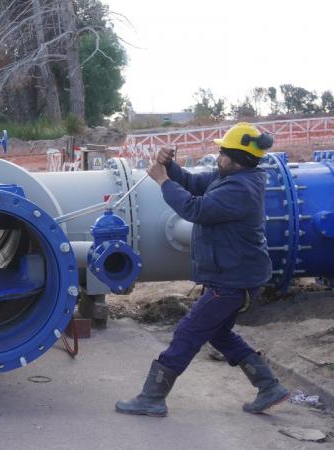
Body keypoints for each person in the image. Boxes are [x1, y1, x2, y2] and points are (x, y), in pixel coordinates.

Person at [115, 122, 289, 417]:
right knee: (219, 334)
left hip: (232, 281)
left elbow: (195, 209)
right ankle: (268, 386)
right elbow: (194, 184)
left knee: (188, 332)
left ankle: (152, 396)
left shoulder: (239, 189)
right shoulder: (232, 177)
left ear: (237, 158)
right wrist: (170, 167)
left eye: (223, 153)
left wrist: (163, 182)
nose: (218, 157)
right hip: (234, 276)